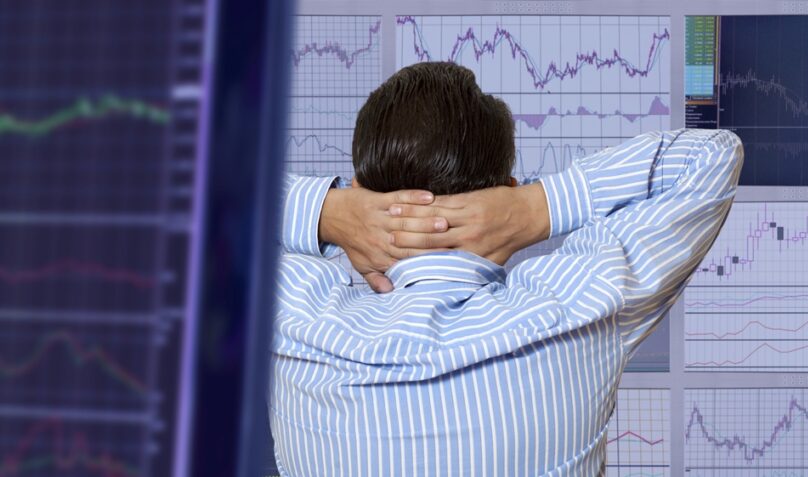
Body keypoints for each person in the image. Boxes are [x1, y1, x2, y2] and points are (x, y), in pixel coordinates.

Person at [270, 62, 743, 476]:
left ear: (357, 192)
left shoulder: (291, 317)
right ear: (507, 188)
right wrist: (538, 207)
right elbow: (710, 156)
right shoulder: (576, 308)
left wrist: (327, 212)